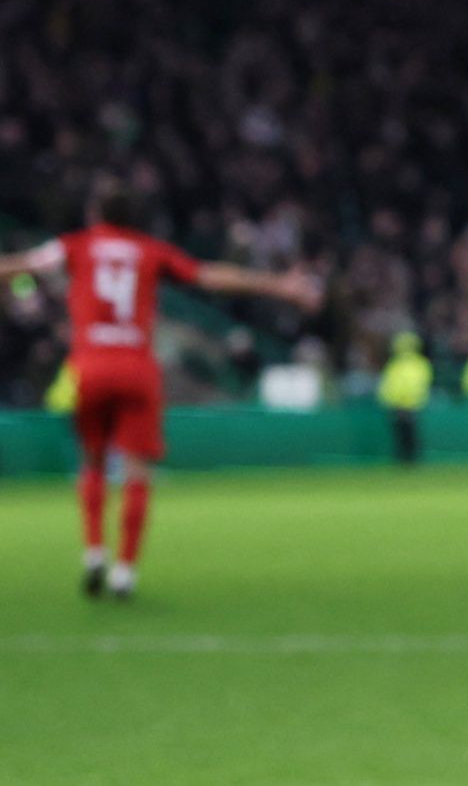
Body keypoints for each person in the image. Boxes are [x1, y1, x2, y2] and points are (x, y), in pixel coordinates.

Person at [0, 183, 318, 601]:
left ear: (96, 213)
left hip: (91, 365)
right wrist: (279, 286)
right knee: (135, 472)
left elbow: (21, 266)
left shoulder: (76, 246)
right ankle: (124, 572)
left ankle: (94, 551)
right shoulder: (151, 250)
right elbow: (210, 276)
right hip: (136, 368)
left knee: (92, 462)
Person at [379, 331, 432, 464]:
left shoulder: (395, 364)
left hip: (401, 406)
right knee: (407, 434)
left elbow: (388, 386)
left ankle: (407, 459)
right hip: (409, 405)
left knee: (404, 435)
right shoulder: (420, 363)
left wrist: (391, 401)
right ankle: (409, 459)